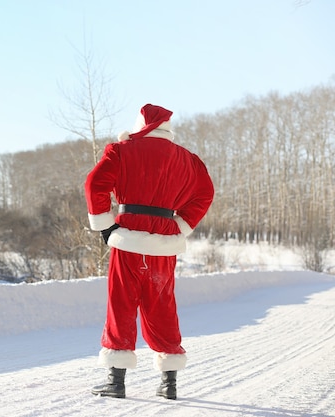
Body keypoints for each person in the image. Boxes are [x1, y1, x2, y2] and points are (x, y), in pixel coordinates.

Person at [85, 103, 214, 400]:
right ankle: (169, 383)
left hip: (127, 236)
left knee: (121, 302)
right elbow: (205, 192)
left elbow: (94, 184)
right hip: (165, 241)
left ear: (141, 124)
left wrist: (105, 226)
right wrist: (181, 224)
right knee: (162, 303)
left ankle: (115, 381)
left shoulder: (121, 150)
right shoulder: (188, 159)